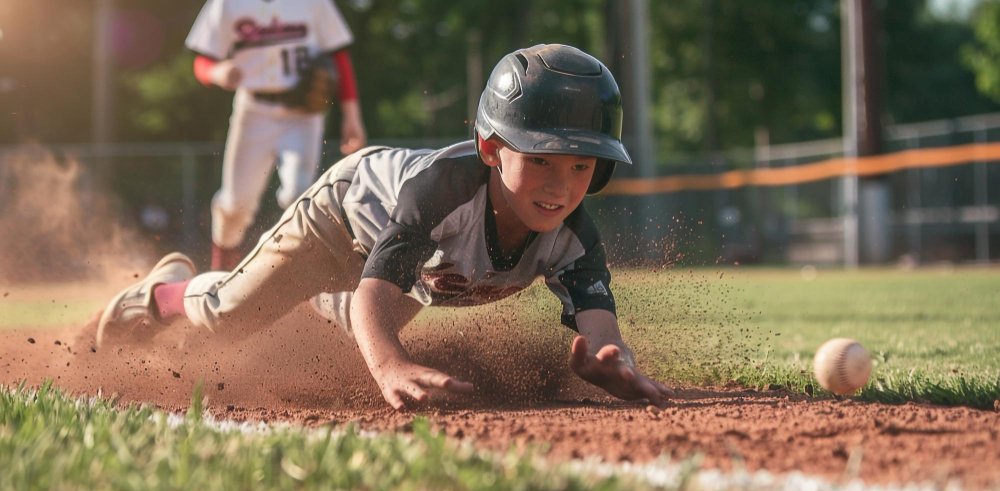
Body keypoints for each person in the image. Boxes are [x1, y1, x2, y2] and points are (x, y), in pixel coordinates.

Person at [96, 44, 672, 411]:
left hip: (412, 267)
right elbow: (376, 290)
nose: (559, 185)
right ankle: (159, 293)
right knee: (228, 317)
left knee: (353, 325)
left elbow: (600, 328)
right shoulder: (443, 193)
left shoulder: (573, 236)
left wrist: (610, 362)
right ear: (493, 150)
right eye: (541, 159)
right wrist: (391, 366)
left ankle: (310, 302)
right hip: (340, 220)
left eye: (580, 165)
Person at [185, 0, 368, 270]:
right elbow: (202, 61)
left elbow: (339, 55)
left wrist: (352, 116)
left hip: (303, 115)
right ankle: (222, 266)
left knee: (299, 194)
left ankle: (288, 273)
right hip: (253, 111)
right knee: (236, 204)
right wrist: (216, 71)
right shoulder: (227, 4)